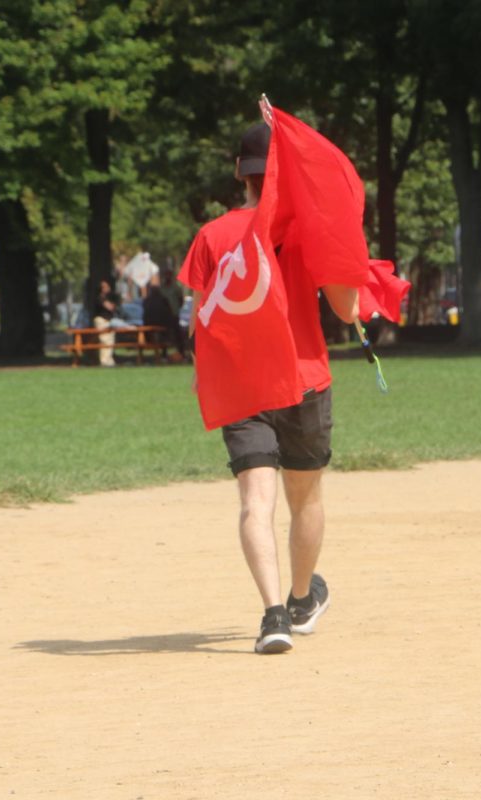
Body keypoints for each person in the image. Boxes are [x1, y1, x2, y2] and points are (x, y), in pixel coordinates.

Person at [178, 121, 358, 655]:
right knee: (305, 498)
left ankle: (273, 613)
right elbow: (347, 312)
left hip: (243, 386)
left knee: (256, 503)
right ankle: (304, 599)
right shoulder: (310, 231)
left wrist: (203, 374)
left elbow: (198, 326)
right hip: (303, 379)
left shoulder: (211, 236)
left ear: (241, 173)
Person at [142, 271, 185, 361]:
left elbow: (181, 300)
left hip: (174, 313)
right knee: (164, 334)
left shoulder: (176, 287)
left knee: (177, 334)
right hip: (164, 316)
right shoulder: (161, 289)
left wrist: (176, 309)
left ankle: (182, 352)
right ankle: (164, 354)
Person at [92, 276, 120, 367]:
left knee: (110, 340)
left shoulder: (109, 298)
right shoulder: (100, 298)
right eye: (105, 287)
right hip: (101, 321)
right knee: (105, 340)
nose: (108, 288)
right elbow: (110, 307)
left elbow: (115, 306)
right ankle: (104, 360)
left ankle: (109, 360)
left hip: (109, 320)